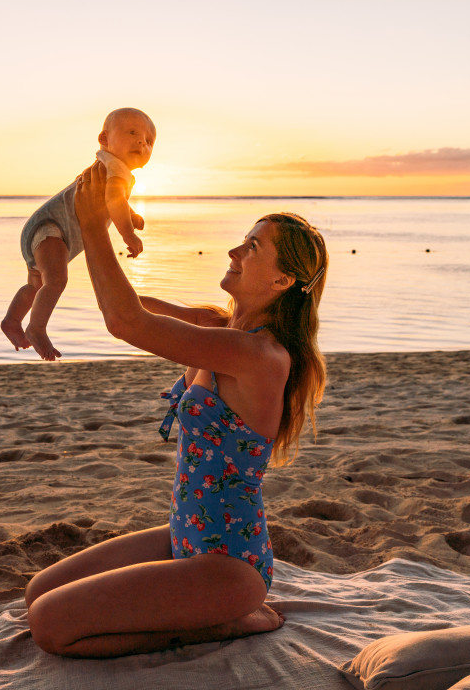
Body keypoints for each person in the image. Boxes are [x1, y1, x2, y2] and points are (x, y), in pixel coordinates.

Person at [24, 162, 328, 658]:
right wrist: (56, 260)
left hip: (229, 566)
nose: (234, 251)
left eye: (252, 247)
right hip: (181, 533)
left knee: (49, 626)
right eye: (243, 239)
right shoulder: (219, 325)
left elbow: (126, 322)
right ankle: (213, 615)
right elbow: (128, 305)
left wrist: (95, 222)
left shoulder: (261, 356)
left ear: (282, 279)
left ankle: (226, 624)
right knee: (39, 592)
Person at [1, 108, 156, 361]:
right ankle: (36, 328)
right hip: (52, 228)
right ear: (104, 140)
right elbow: (114, 200)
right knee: (56, 282)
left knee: (37, 285)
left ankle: (12, 321)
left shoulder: (111, 168)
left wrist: (131, 214)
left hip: (44, 231)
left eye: (149, 141)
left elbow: (113, 199)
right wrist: (128, 235)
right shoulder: (114, 167)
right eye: (132, 133)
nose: (141, 141)